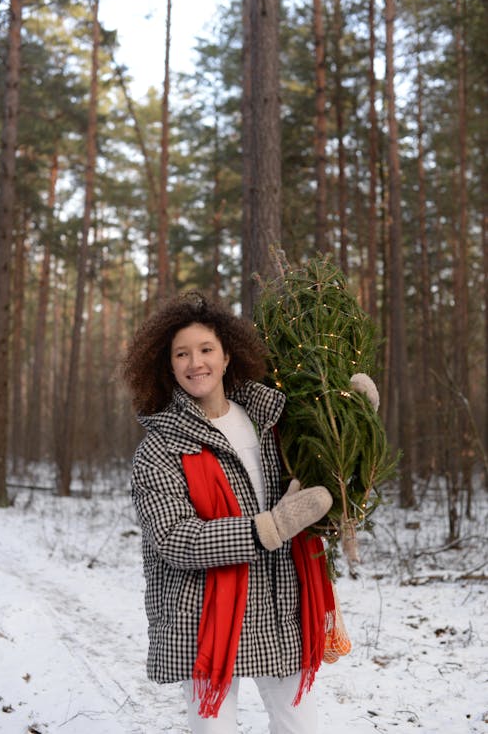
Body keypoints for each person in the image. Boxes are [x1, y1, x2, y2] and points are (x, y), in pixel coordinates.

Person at [123, 291, 364, 734]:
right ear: (169, 366)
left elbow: (326, 480)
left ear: (228, 354)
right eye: (182, 354)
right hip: (203, 611)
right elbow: (176, 538)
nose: (196, 362)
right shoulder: (159, 447)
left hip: (278, 603)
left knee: (300, 727)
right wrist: (270, 528)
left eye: (206, 349)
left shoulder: (272, 419)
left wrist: (360, 419)